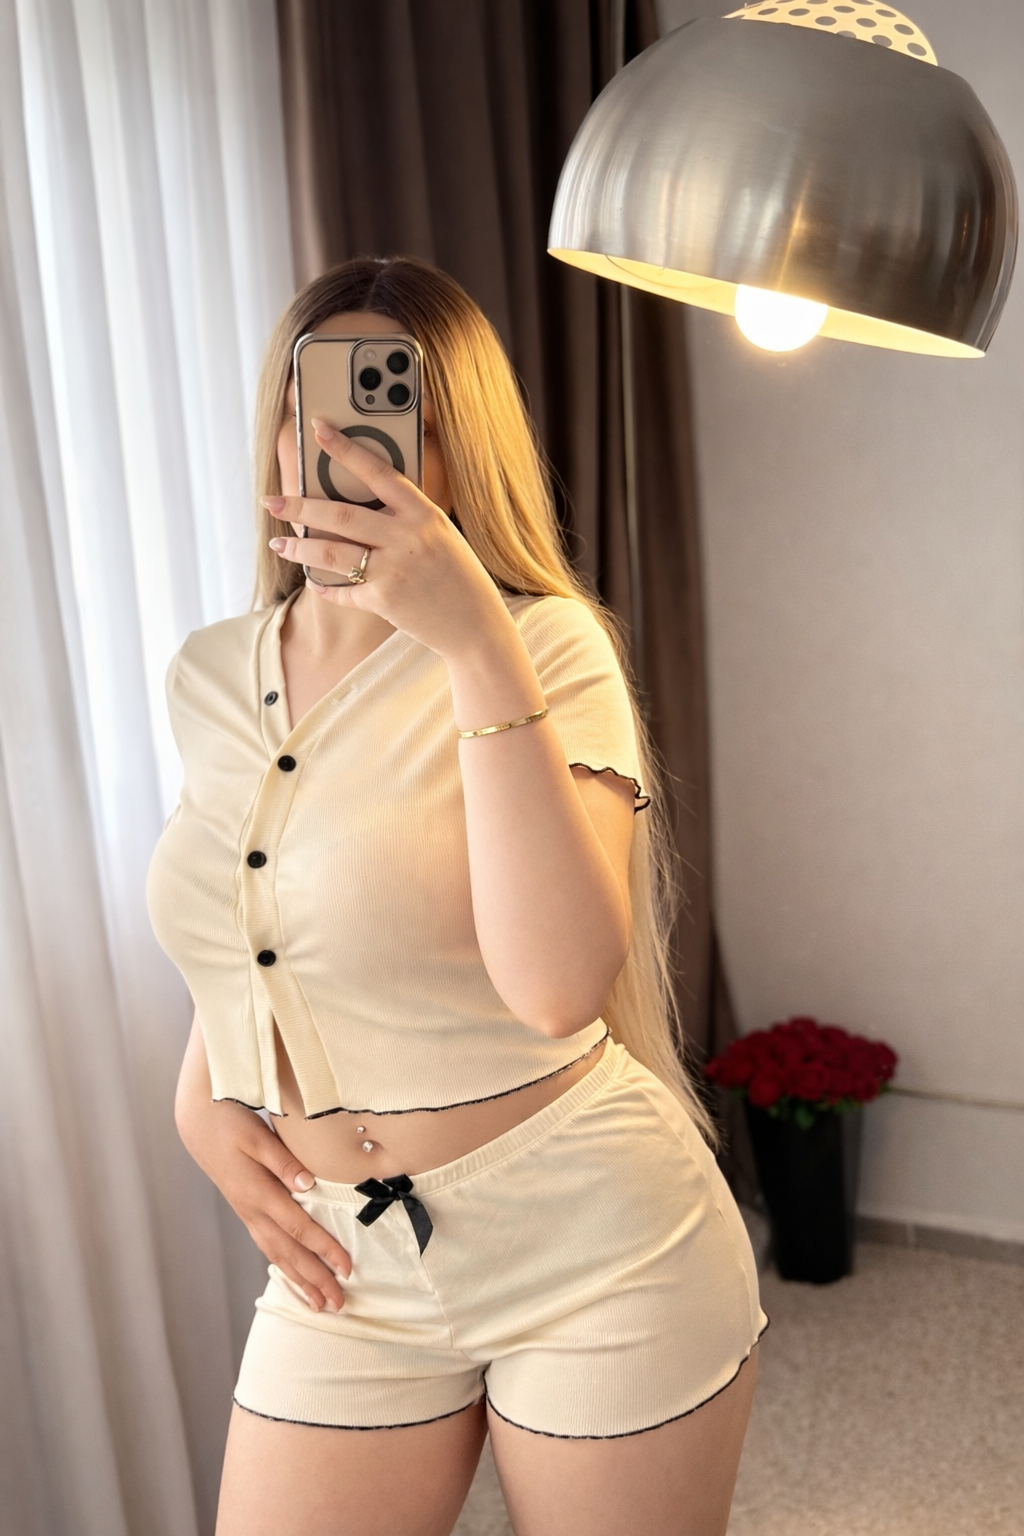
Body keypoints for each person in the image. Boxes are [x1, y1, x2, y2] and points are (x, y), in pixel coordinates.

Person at [147, 255, 766, 1536]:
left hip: (593, 1239)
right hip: (346, 1262)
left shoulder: (542, 644)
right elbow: (256, 903)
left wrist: (473, 639)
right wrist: (201, 1092)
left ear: (456, 450)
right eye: (310, 408)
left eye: (393, 409)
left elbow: (555, 985)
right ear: (273, 431)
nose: (344, 445)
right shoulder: (209, 674)